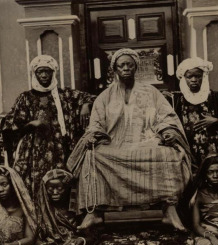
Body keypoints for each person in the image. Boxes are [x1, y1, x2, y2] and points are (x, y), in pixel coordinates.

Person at [67, 48, 192, 230]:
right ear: (115, 69)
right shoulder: (105, 96)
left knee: (170, 154)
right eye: (121, 65)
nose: (126, 68)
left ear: (136, 68)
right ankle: (94, 213)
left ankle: (169, 210)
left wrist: (167, 130)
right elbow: (96, 123)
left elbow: (166, 116)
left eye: (129, 65)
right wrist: (95, 134)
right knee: (93, 156)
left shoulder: (151, 92)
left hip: (146, 141)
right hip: (114, 143)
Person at [2, 55, 96, 198]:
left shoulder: (65, 95)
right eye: (40, 72)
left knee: (60, 185)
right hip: (33, 152)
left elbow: (93, 97)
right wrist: (31, 124)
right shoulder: (25, 97)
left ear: (53, 73)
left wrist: (85, 105)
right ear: (35, 74)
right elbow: (10, 126)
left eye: (48, 71)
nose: (44, 75)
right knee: (36, 185)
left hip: (60, 149)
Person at [166, 58, 218, 170]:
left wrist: (216, 121)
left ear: (204, 77)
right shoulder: (174, 100)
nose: (194, 80)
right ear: (184, 78)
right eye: (189, 77)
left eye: (198, 76)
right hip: (186, 153)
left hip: (214, 154)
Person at [33, 169, 92, 245]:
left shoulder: (79, 210)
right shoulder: (40, 211)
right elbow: (34, 236)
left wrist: (81, 240)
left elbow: (93, 235)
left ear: (67, 188)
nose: (54, 192)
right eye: (50, 188)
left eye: (59, 188)